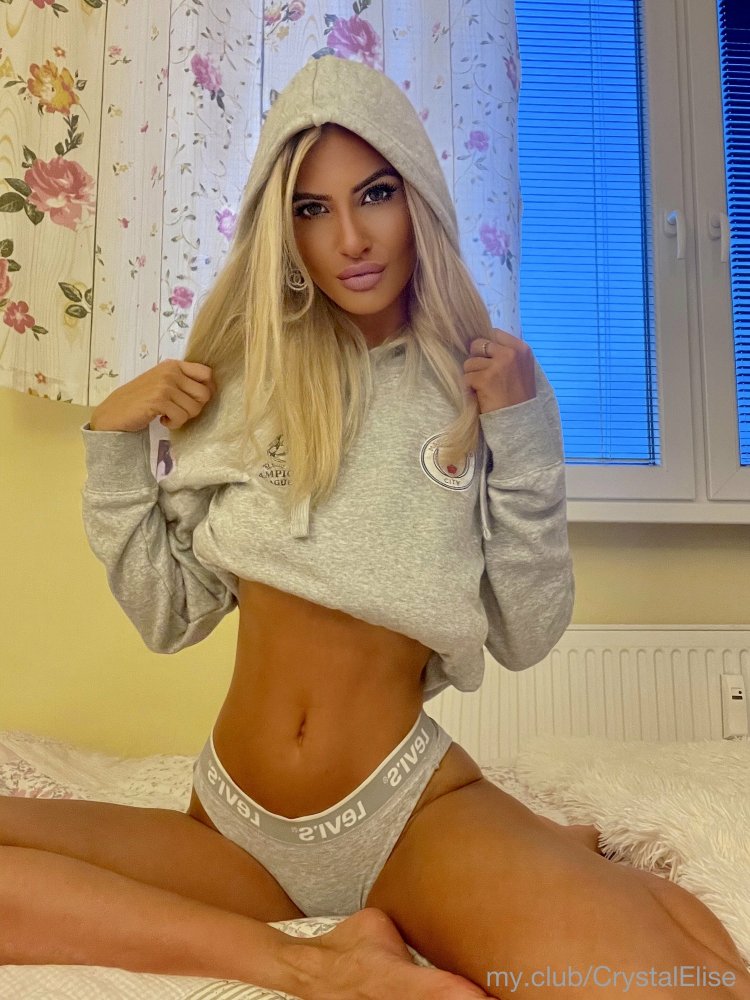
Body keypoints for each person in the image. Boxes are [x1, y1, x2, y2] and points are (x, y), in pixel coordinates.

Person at [2, 54, 748, 1000]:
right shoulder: (243, 384)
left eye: (376, 194)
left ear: (417, 199)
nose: (350, 238)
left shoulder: (478, 388)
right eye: (312, 209)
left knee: (681, 986)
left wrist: (523, 433)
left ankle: (541, 861)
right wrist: (114, 453)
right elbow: (170, 616)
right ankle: (317, 962)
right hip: (231, 824)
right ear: (283, 229)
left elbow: (525, 631)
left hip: (409, 818)